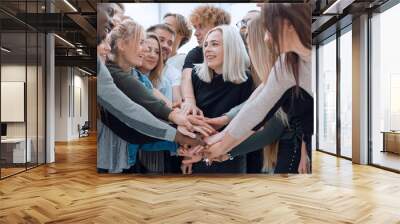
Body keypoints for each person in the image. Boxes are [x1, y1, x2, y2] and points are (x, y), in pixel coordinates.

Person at [96, 4, 208, 172]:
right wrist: (181, 133)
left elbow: (153, 103)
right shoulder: (112, 73)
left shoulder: (137, 76)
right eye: (141, 43)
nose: (146, 50)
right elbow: (136, 117)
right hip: (110, 159)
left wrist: (178, 126)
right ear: (121, 44)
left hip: (127, 158)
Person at [203, 3, 313, 174]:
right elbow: (255, 109)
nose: (266, 38)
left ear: (289, 24)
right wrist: (219, 141)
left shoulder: (306, 59)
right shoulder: (286, 65)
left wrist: (222, 148)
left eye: (269, 29)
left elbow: (260, 115)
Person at [185, 25, 254, 173]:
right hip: (196, 150)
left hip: (230, 152)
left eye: (214, 44)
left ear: (231, 47)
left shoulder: (246, 79)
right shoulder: (196, 75)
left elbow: (245, 121)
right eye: (206, 45)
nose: (207, 49)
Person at [180, 5, 231, 116]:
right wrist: (189, 101)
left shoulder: (237, 53)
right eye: (195, 27)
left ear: (218, 27)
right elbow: (186, 77)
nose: (195, 33)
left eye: (201, 27)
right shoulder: (195, 53)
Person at [163, 13, 193, 103]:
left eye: (167, 26)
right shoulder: (150, 59)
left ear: (182, 33)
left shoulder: (184, 61)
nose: (161, 29)